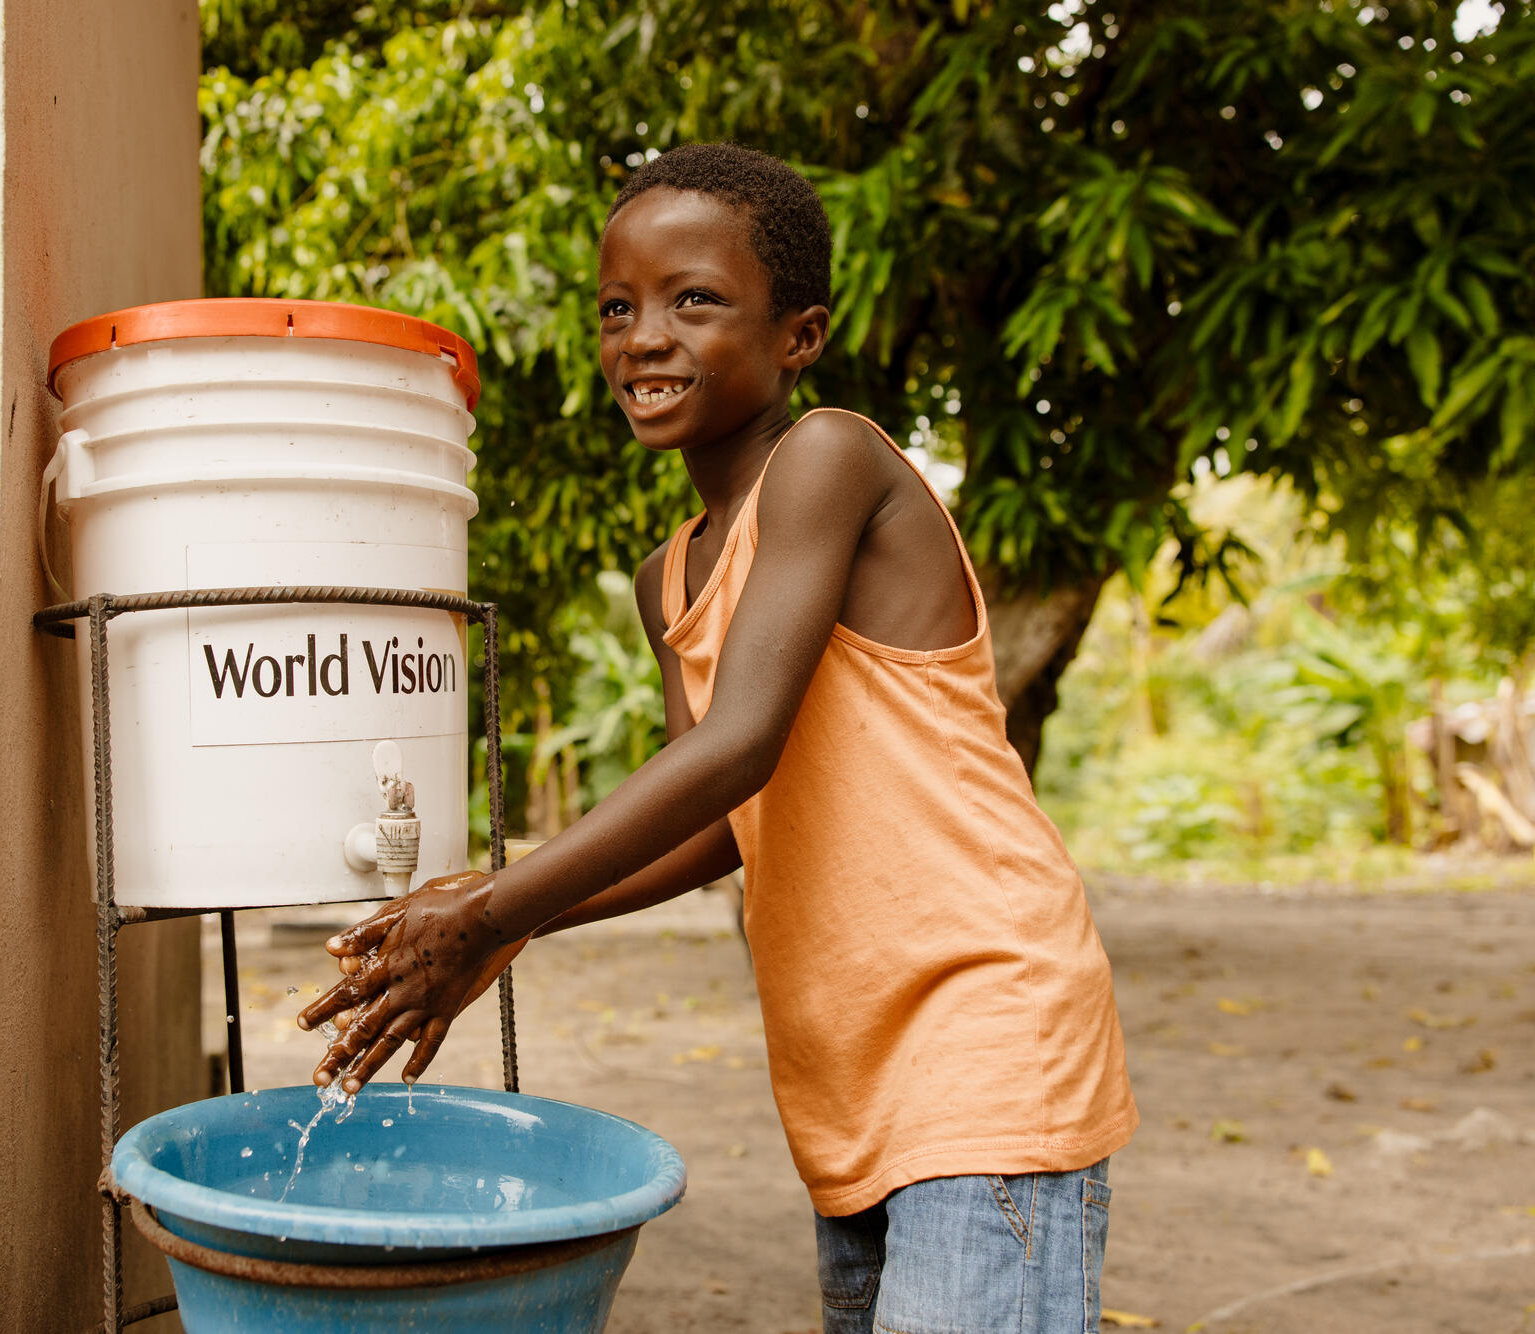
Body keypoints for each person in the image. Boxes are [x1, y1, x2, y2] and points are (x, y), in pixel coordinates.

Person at [297, 142, 1136, 1333]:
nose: (643, 338)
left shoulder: (829, 459)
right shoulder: (670, 575)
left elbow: (737, 743)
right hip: (851, 1074)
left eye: (693, 300)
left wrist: (489, 905)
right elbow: (715, 827)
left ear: (798, 334)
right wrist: (512, 914)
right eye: (616, 308)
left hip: (983, 1026)